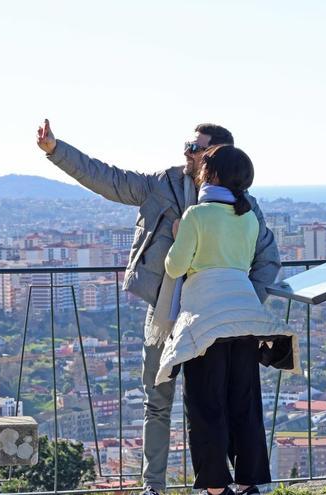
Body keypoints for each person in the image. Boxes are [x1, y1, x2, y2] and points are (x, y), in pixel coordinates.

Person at [36, 121, 281, 495]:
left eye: (194, 147)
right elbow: (109, 179)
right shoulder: (163, 185)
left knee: (218, 402)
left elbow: (267, 260)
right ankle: (156, 486)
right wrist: (56, 150)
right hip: (167, 313)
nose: (186, 151)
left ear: (213, 157)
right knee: (159, 401)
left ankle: (221, 484)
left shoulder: (240, 205)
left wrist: (239, 300)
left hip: (212, 318)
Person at [160, 146, 295, 495]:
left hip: (206, 319)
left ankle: (216, 488)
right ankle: (250, 483)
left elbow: (175, 267)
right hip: (245, 315)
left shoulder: (196, 215)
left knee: (206, 405)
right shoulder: (248, 217)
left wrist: (179, 236)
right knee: (244, 404)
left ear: (213, 175)